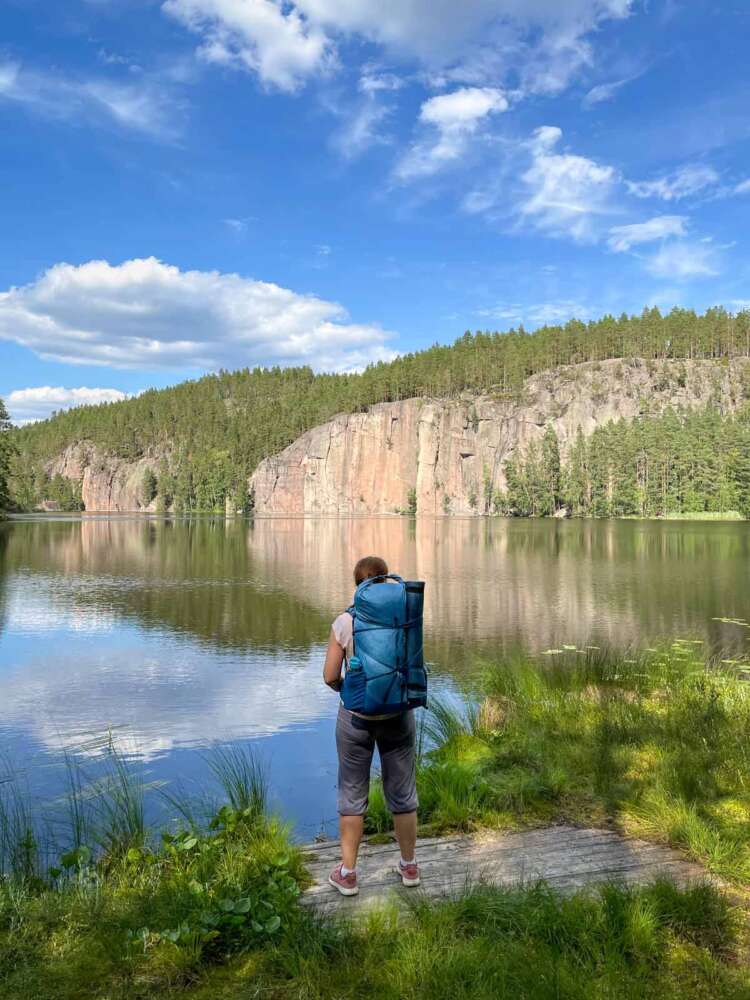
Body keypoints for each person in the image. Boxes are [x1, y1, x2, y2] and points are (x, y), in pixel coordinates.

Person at [323, 555, 420, 896]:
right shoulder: (405, 617)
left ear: (358, 586)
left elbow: (330, 676)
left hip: (357, 718)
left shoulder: (345, 621)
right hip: (399, 714)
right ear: (384, 583)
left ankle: (348, 873)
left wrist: (348, 690)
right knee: (403, 792)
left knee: (352, 794)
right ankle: (409, 867)